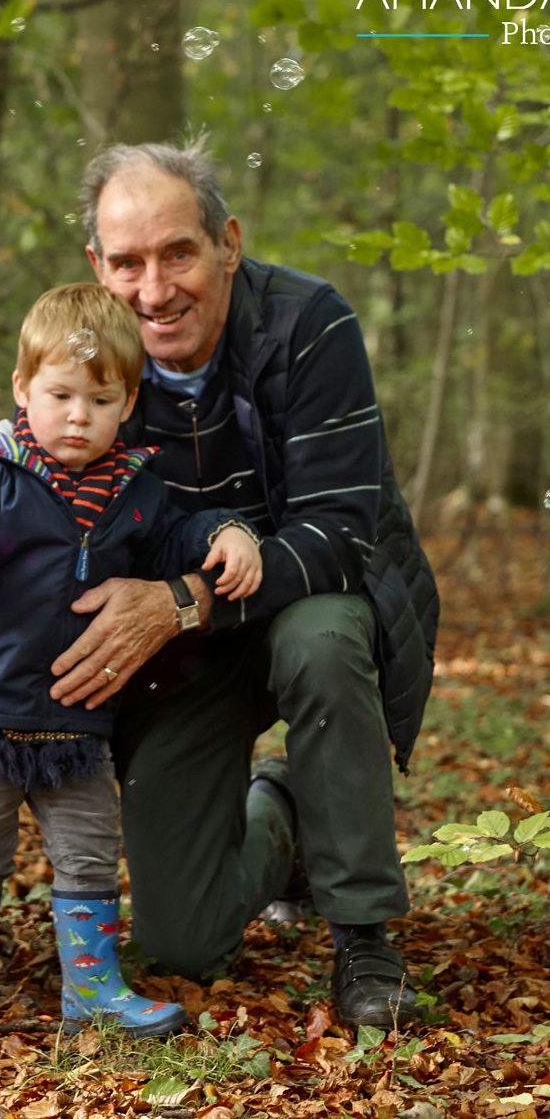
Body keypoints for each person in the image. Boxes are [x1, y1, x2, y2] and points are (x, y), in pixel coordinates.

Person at [45, 139, 439, 1030]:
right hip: (183, 658)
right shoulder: (83, 367)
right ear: (96, 266)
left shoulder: (310, 323)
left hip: (303, 605)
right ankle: (289, 809)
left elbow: (342, 535)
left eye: (178, 252)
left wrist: (182, 596)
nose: (154, 290)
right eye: (129, 262)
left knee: (325, 637)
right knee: (182, 942)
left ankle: (364, 932)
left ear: (227, 239)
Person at [0, 283, 263, 1044]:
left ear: (127, 402)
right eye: (59, 395)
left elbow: (172, 545)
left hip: (74, 721)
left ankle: (91, 987)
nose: (76, 416)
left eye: (98, 400)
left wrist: (226, 531)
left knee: (89, 852)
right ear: (23, 389)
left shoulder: (136, 488)